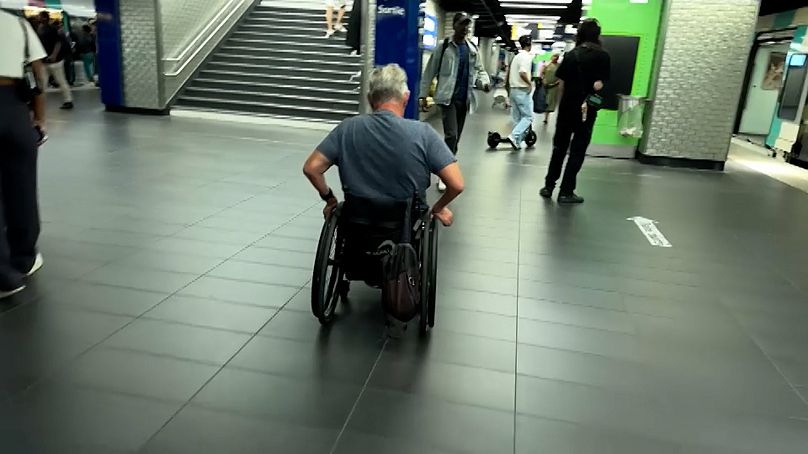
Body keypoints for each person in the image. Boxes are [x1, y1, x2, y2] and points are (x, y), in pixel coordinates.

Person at [303, 64, 464, 228]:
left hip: (356, 223)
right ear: (406, 97)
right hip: (406, 225)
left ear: (370, 99)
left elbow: (311, 168)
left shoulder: (347, 128)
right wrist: (438, 208)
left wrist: (329, 199)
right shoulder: (423, 133)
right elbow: (456, 184)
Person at [0, 9, 47, 297]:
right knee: (22, 185)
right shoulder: (18, 22)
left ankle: (4, 278)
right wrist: (39, 119)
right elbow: (37, 72)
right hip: (15, 109)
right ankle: (24, 258)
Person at [539, 19, 610, 204]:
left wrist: (561, 107)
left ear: (580, 34)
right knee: (577, 150)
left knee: (559, 148)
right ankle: (566, 192)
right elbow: (601, 85)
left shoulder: (571, 55)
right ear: (597, 34)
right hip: (587, 111)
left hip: (567, 109)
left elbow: (561, 83)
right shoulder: (603, 56)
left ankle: (548, 186)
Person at [419, 12, 490, 191]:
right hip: (447, 98)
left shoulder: (472, 49)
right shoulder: (443, 47)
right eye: (462, 24)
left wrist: (485, 83)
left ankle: (448, 164)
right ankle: (445, 174)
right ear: (455, 26)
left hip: (464, 100)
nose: (465, 28)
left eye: (468, 25)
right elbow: (429, 72)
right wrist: (422, 95)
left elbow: (480, 71)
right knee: (451, 135)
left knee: (456, 138)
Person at [35, 11, 73, 109]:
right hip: (44, 61)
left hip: (55, 61)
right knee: (42, 83)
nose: (37, 18)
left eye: (39, 16)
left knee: (60, 80)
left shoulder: (52, 29)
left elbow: (58, 43)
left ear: (44, 18)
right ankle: (40, 103)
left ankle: (68, 100)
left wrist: (54, 55)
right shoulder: (40, 29)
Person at [506, 35, 535, 150]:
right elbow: (522, 72)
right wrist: (529, 83)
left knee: (518, 119)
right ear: (529, 44)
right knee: (528, 117)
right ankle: (514, 136)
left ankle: (517, 142)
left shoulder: (516, 57)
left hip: (513, 90)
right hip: (522, 91)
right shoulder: (526, 57)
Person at [541, 53, 561, 124]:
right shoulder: (546, 64)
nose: (555, 58)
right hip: (545, 85)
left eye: (557, 57)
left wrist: (555, 83)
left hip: (553, 87)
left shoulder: (559, 66)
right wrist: (543, 80)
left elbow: (560, 77)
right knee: (545, 100)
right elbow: (542, 73)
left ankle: (546, 117)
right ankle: (544, 114)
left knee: (549, 101)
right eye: (554, 56)